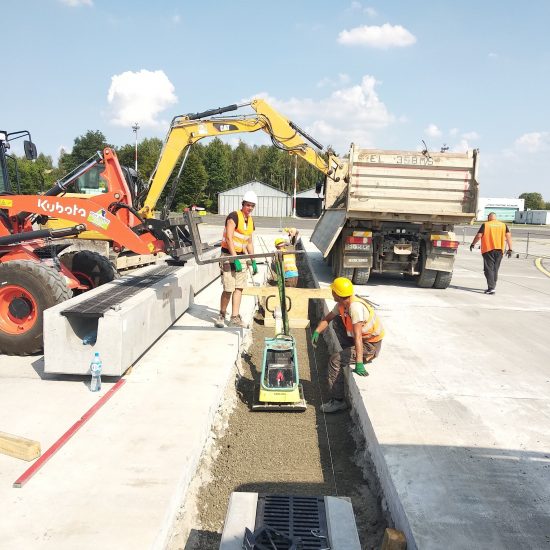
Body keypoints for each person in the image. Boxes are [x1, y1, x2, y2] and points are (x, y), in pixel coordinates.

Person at [311, 277, 384, 413]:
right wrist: (317, 331)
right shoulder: (342, 304)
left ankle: (338, 401)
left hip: (370, 346)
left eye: (333, 291)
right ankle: (347, 353)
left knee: (335, 360)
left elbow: (357, 337)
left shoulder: (355, 308)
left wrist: (359, 363)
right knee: (337, 321)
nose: (331, 293)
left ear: (338, 294)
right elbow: (327, 319)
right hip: (361, 341)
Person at [214, 190, 258, 328]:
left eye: (252, 206)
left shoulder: (250, 221)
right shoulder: (234, 216)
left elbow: (249, 242)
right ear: (243, 204)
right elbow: (229, 237)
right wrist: (235, 258)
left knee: (239, 287)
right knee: (228, 287)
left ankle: (234, 317)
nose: (249, 208)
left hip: (242, 257)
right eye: (248, 205)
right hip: (228, 256)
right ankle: (221, 315)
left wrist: (253, 259)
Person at [469, 212, 513, 295]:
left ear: (489, 218)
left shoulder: (486, 224)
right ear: (495, 218)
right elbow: (508, 237)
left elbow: (479, 236)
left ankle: (491, 288)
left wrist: (473, 244)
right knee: (495, 269)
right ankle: (493, 286)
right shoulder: (503, 225)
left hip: (488, 249)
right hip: (500, 250)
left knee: (488, 269)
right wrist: (510, 249)